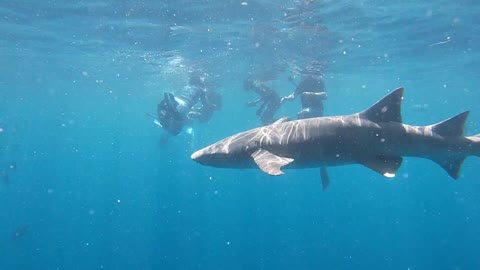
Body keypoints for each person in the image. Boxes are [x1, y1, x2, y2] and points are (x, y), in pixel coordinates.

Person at [154, 73, 221, 138]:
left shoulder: (187, 87)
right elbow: (205, 103)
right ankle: (167, 125)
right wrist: (211, 105)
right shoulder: (201, 90)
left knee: (171, 112)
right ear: (201, 83)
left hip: (176, 100)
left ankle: (163, 116)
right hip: (184, 105)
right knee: (177, 131)